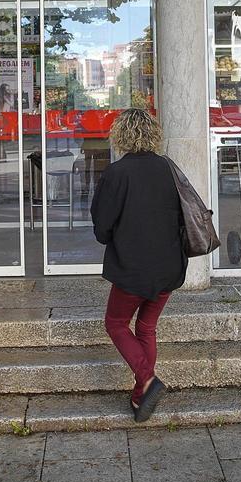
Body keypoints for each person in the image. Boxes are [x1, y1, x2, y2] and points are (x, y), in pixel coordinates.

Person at [91, 108, 187, 421]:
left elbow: (102, 228)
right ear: (153, 135)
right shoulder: (168, 168)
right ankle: (139, 397)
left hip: (134, 268)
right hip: (170, 265)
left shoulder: (116, 173)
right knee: (146, 328)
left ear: (121, 135)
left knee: (116, 324)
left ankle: (147, 379)